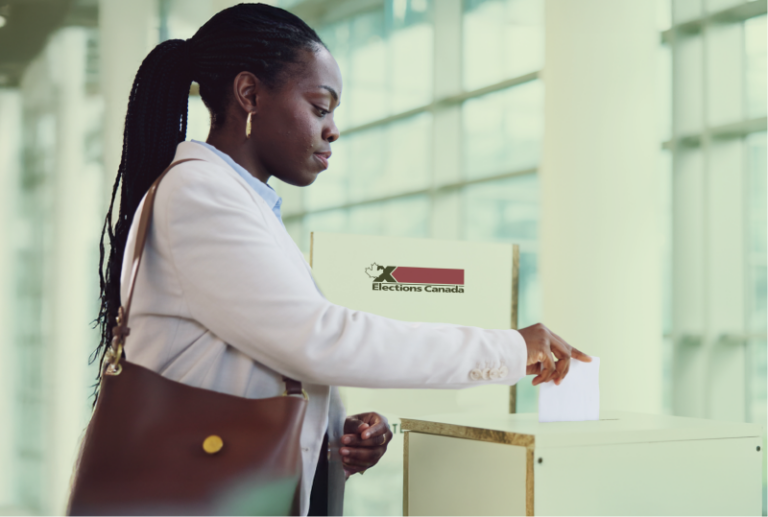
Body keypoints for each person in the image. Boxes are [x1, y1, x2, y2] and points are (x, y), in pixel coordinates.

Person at [93, 4, 590, 516]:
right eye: (320, 106)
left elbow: (271, 360)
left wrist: (333, 437)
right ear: (249, 95)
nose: (332, 130)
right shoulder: (199, 194)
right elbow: (319, 339)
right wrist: (507, 348)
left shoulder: (234, 200)